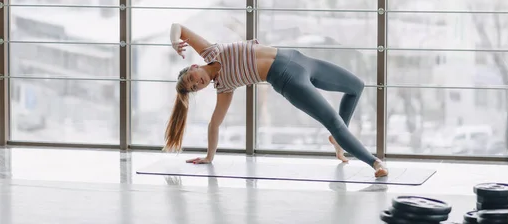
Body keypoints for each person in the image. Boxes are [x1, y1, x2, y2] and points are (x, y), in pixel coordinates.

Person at [164, 23, 388, 178]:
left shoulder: (210, 51)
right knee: (333, 121)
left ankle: (339, 139)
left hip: (299, 59)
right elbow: (214, 125)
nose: (198, 83)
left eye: (192, 79)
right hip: (288, 80)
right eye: (194, 88)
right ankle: (374, 162)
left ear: (193, 67)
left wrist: (175, 41)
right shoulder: (224, 87)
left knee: (355, 86)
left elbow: (179, 27)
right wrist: (208, 157)